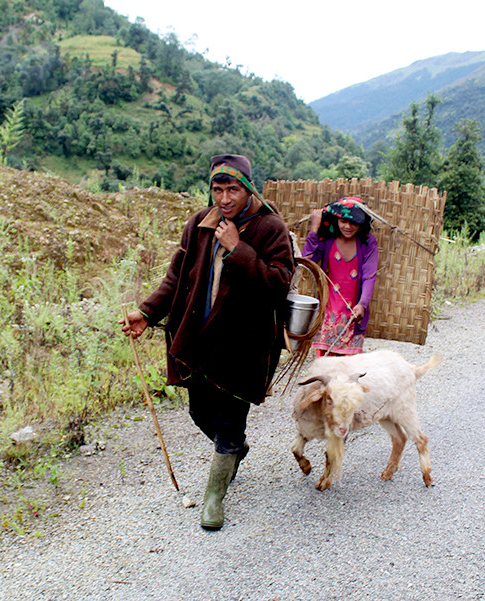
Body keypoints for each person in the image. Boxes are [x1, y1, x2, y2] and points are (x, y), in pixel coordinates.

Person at [120, 154, 294, 531]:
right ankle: (234, 450)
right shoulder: (199, 223)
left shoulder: (270, 228)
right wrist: (147, 312)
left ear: (248, 188)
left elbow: (279, 285)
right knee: (199, 412)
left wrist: (238, 249)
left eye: (233, 189)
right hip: (200, 336)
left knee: (230, 418)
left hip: (244, 344)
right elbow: (176, 275)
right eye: (218, 189)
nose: (225, 198)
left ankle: (215, 495)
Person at [302, 196, 378, 357]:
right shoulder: (326, 240)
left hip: (353, 315)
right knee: (325, 366)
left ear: (362, 223)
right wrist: (314, 228)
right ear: (336, 220)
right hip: (328, 314)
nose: (348, 226)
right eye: (343, 221)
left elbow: (369, 275)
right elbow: (307, 261)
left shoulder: (367, 243)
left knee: (348, 369)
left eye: (354, 222)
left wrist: (362, 304)